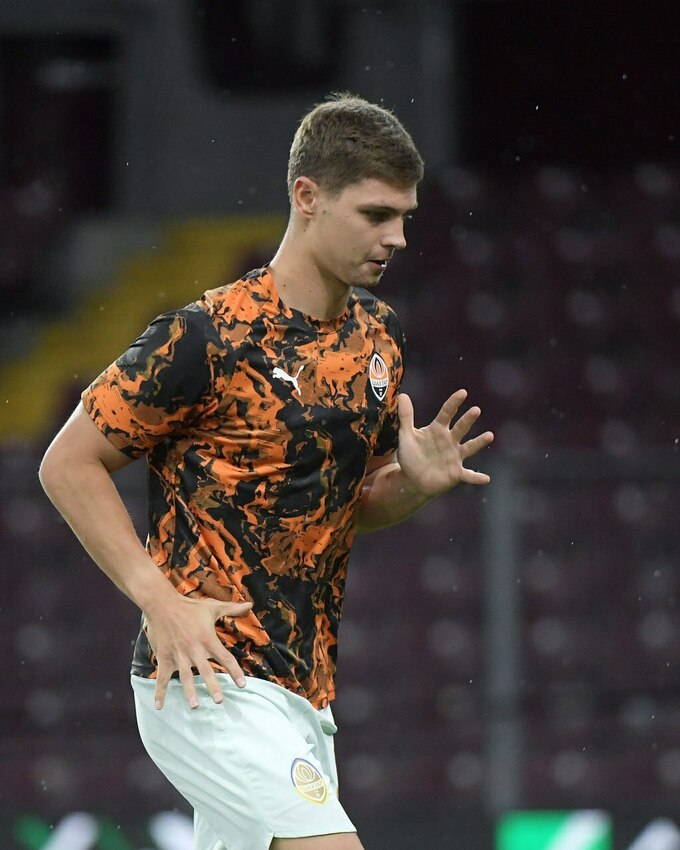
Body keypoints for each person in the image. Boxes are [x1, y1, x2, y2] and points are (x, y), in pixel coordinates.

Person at [39, 93, 494, 850]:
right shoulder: (206, 336)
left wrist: (410, 486)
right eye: (376, 214)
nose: (398, 237)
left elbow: (339, 508)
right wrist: (159, 600)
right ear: (307, 197)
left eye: (405, 216)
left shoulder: (380, 339)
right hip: (209, 677)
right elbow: (67, 463)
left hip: (303, 693)